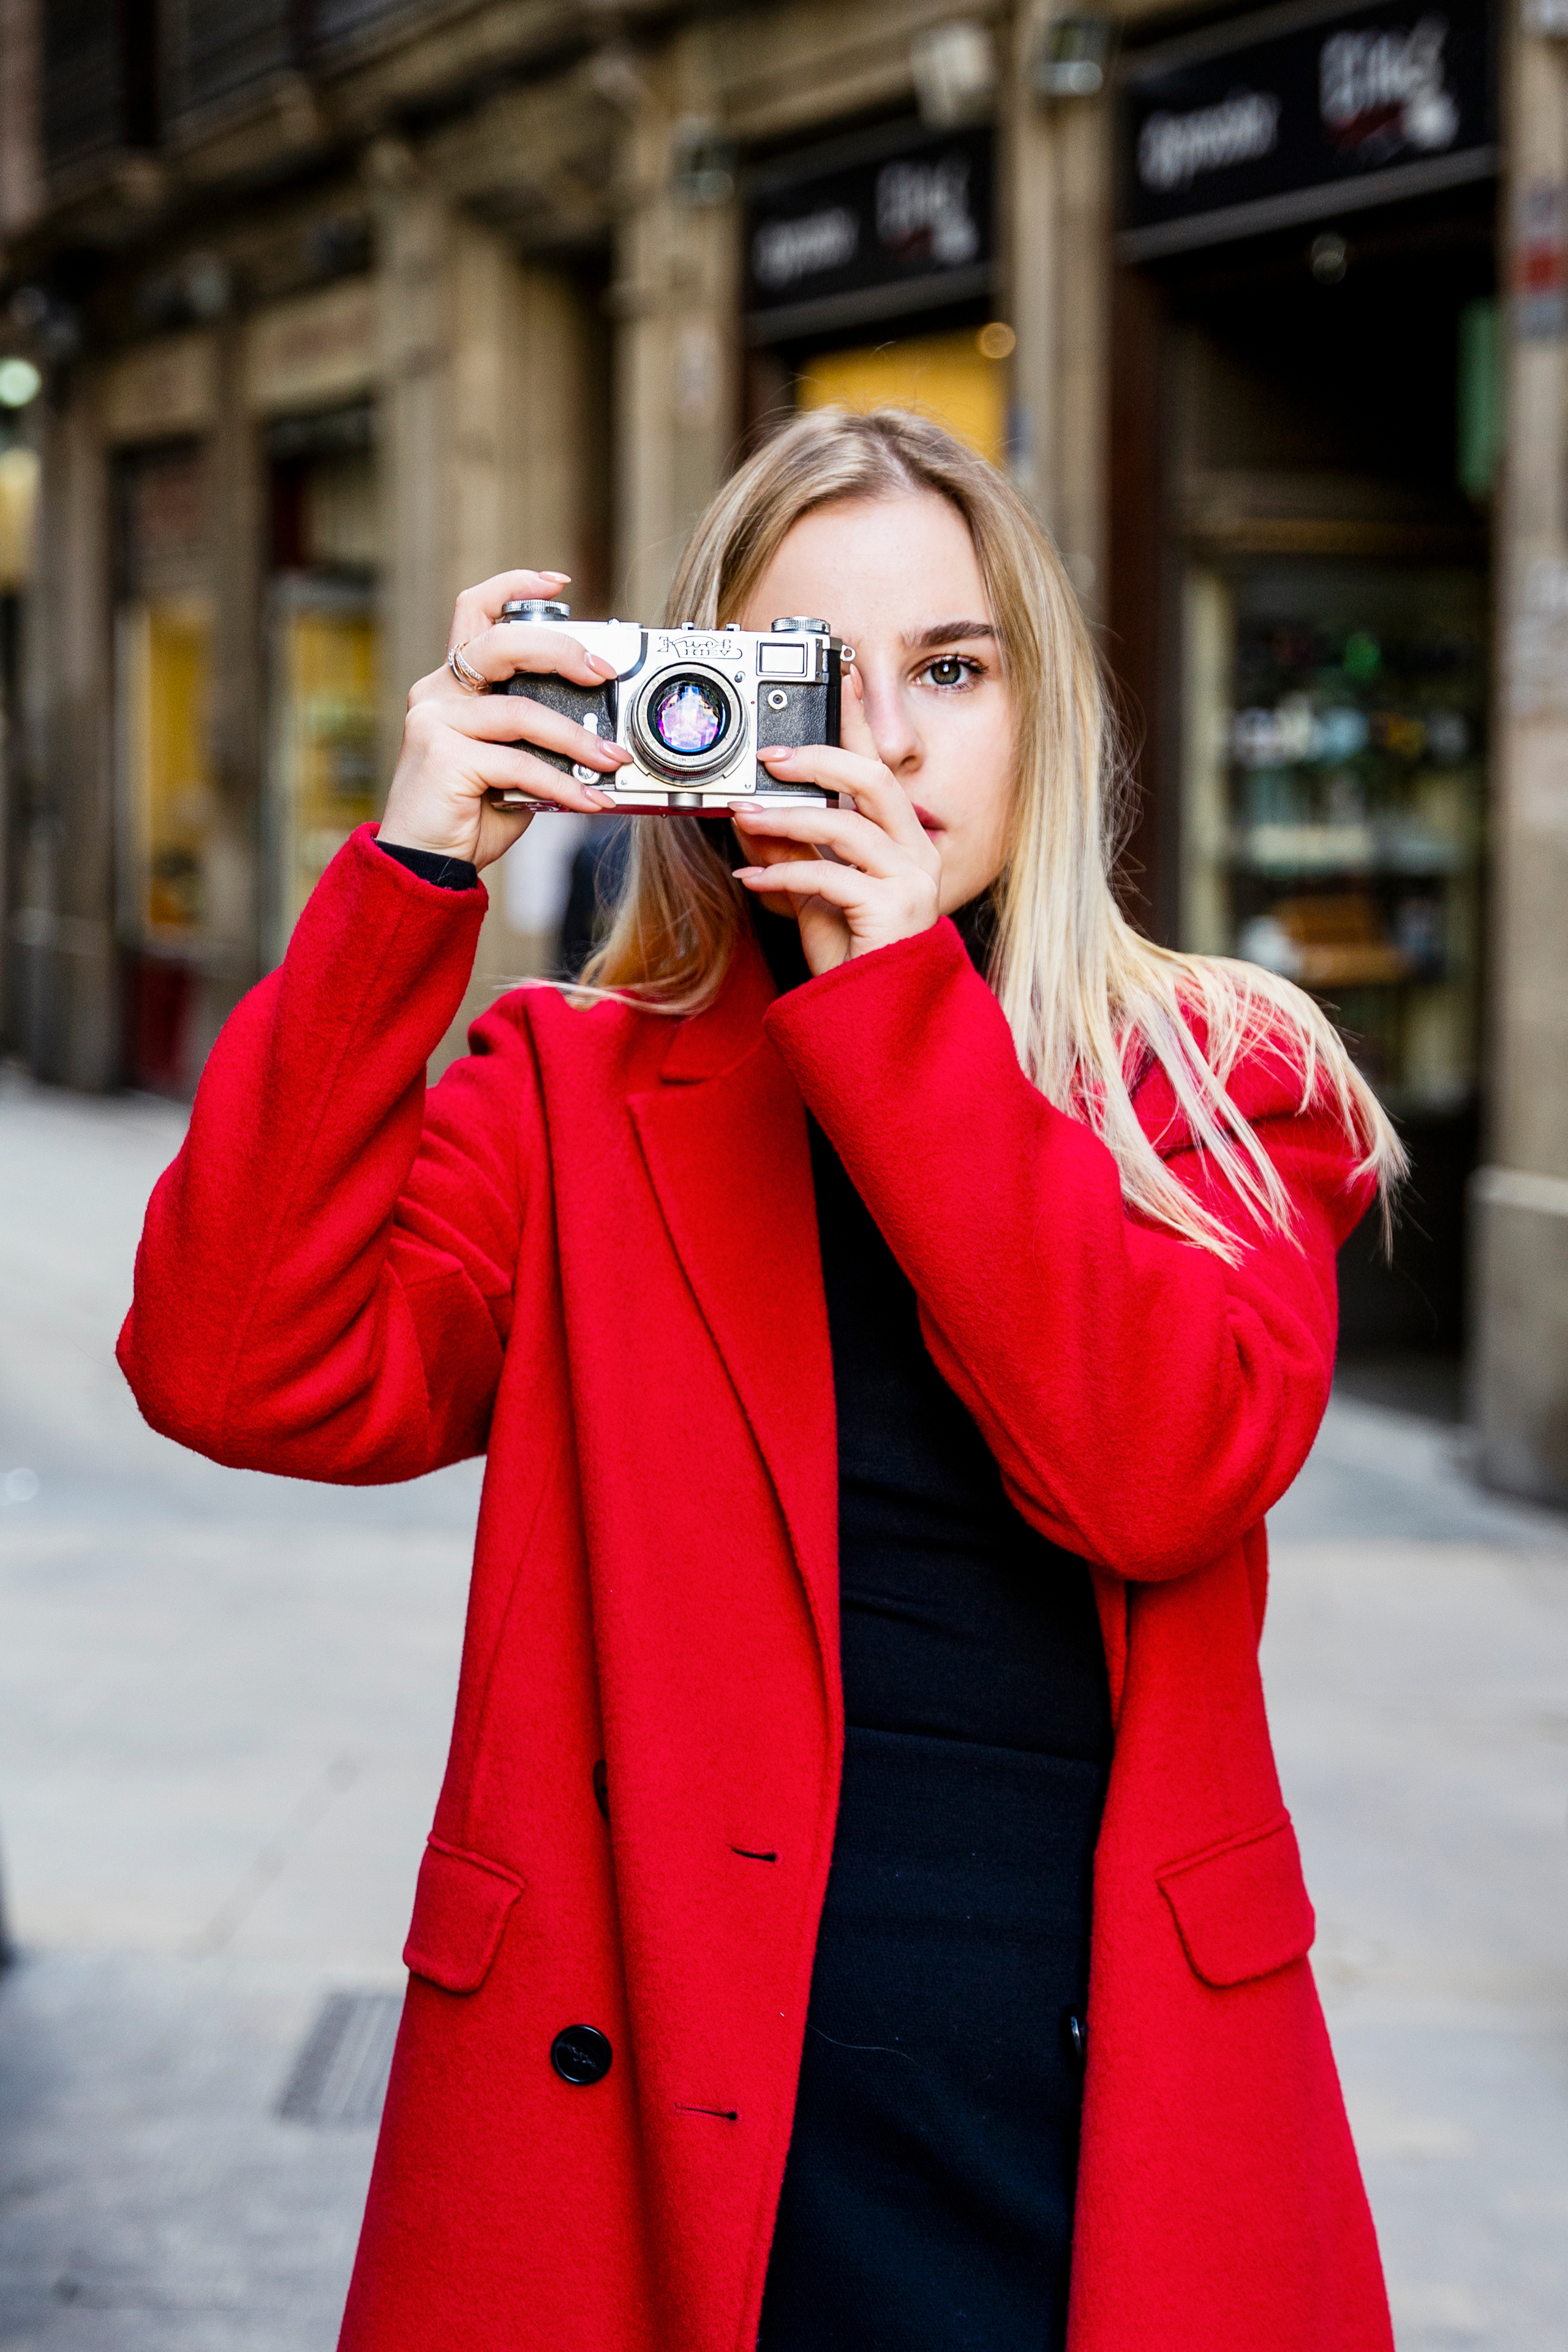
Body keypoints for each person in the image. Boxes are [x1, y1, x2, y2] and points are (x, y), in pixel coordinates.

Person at [119, 409, 1403, 2352]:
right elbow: (236, 1370)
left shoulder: (1214, 1082)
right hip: (642, 2087)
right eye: (812, 678)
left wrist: (894, 1005)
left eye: (953, 672)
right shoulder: (570, 1096)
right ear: (695, 712)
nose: (884, 742)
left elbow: (1159, 1476)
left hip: (1082, 2103)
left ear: (1043, 712)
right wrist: (410, 878)